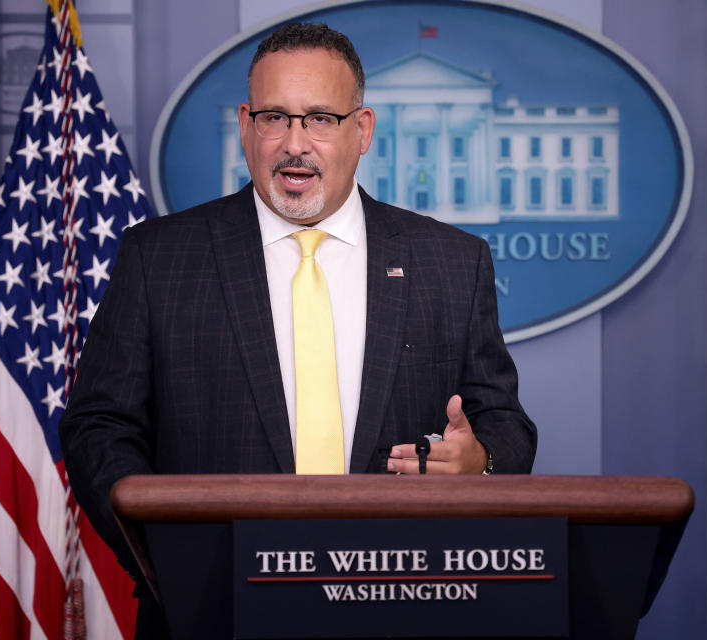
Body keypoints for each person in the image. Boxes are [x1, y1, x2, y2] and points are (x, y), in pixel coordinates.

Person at [59, 21, 535, 635]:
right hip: (209, 611)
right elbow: (100, 426)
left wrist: (481, 463)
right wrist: (165, 554)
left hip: (406, 606)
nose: (294, 143)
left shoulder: (451, 261)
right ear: (244, 126)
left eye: (319, 119)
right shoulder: (160, 257)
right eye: (274, 118)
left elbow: (504, 422)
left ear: (361, 130)